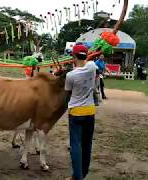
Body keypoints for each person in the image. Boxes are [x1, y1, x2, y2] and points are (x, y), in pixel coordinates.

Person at [65, 44, 97, 180]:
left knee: (76, 145)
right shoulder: (92, 67)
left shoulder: (70, 75)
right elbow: (89, 59)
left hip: (76, 112)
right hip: (90, 111)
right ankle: (81, 174)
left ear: (73, 56)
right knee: (87, 144)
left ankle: (77, 177)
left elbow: (68, 92)